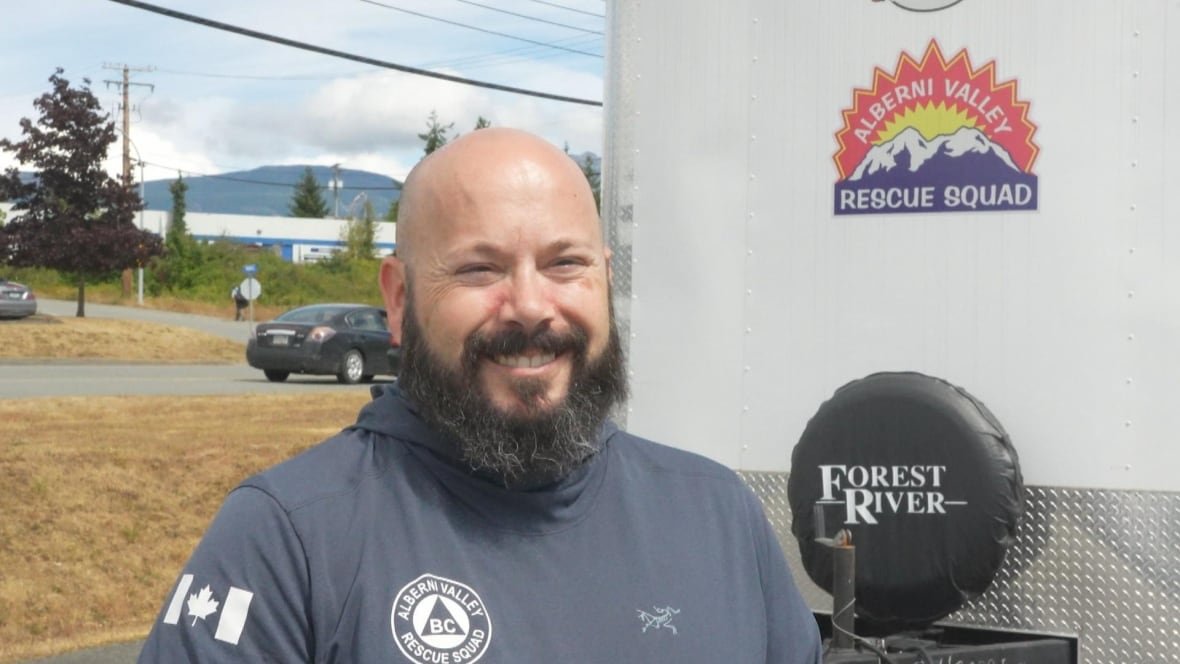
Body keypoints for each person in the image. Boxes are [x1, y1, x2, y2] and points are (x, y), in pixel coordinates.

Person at [139, 128, 822, 663]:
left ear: (605, 281)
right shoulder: (289, 538)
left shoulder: (716, 515)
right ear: (400, 300)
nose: (530, 306)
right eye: (479, 268)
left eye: (565, 264)